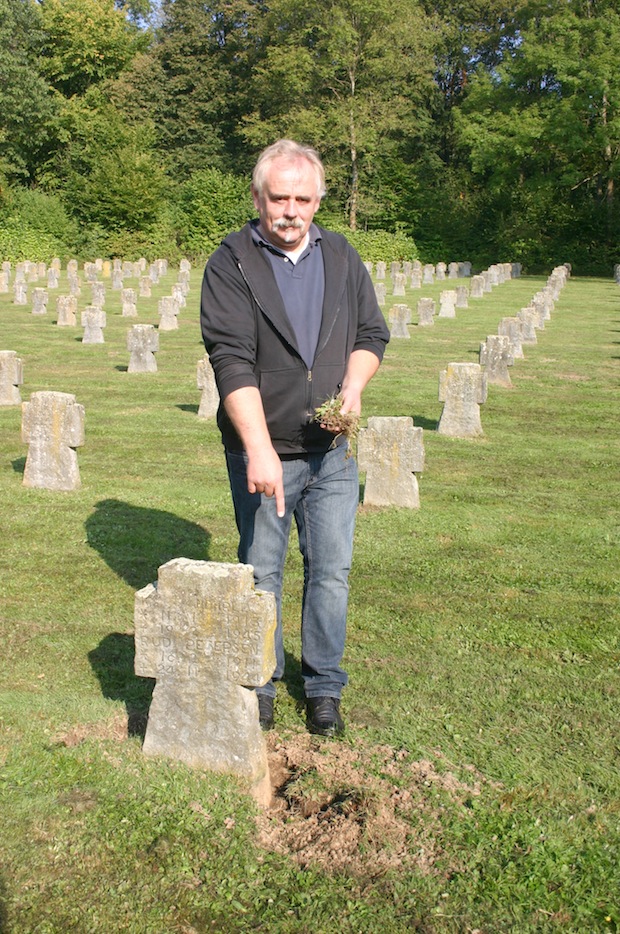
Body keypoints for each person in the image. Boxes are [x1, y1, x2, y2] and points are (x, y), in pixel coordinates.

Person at [200, 139, 390, 736]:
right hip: (265, 449)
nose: (289, 210)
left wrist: (353, 388)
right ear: (258, 197)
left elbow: (370, 333)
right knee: (262, 571)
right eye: (278, 197)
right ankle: (259, 681)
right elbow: (230, 359)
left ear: (318, 199)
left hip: (330, 453)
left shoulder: (341, 254)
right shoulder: (230, 262)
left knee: (331, 571)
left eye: (302, 198)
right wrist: (258, 448)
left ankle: (324, 686)